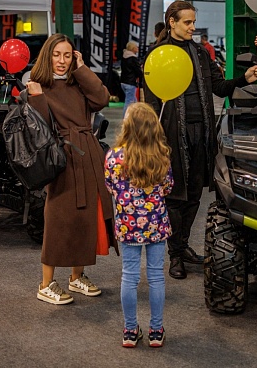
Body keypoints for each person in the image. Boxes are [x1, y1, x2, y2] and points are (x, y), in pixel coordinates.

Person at [144, 0, 257, 280]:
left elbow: (219, 87)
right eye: (188, 22)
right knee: (174, 196)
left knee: (194, 193)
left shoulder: (199, 52)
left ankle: (183, 247)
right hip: (172, 135)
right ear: (171, 22)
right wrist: (153, 139)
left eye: (194, 22)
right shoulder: (158, 54)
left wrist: (242, 79)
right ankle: (175, 255)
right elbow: (150, 102)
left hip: (204, 132)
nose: (193, 27)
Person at [26, 33, 117, 305]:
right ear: (47, 56)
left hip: (87, 152)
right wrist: (38, 98)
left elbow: (102, 98)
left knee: (87, 215)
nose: (62, 61)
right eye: (57, 55)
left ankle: (77, 277)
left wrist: (82, 68)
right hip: (60, 157)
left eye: (67, 55)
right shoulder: (37, 85)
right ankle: (45, 284)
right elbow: (37, 129)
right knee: (58, 217)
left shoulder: (78, 82)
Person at [105, 102, 174, 348]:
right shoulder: (162, 155)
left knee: (129, 277)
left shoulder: (113, 157)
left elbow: (111, 188)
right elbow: (167, 188)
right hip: (156, 225)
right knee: (156, 276)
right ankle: (156, 331)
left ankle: (130, 330)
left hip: (127, 226)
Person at [120, 41, 143, 117]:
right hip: (130, 83)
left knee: (134, 101)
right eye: (136, 47)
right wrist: (142, 75)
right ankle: (125, 119)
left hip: (123, 82)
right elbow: (138, 70)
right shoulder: (133, 58)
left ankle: (137, 116)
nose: (137, 48)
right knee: (129, 102)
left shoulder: (124, 57)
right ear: (133, 48)